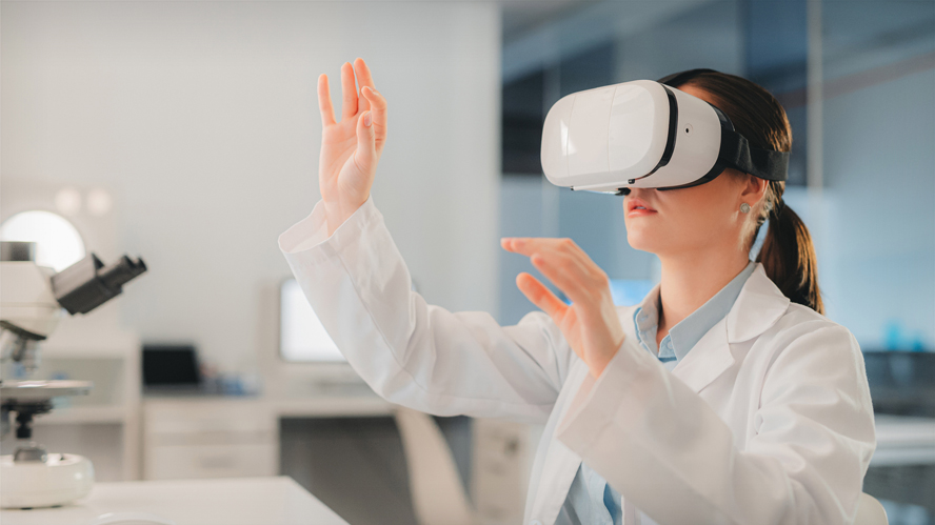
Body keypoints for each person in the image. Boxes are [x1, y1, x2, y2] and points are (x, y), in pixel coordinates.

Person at [278, 58, 876, 525]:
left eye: (676, 148)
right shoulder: (589, 334)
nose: (640, 180)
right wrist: (346, 206)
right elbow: (416, 358)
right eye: (638, 155)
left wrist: (617, 367)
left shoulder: (810, 354)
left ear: (751, 184)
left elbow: (789, 515)